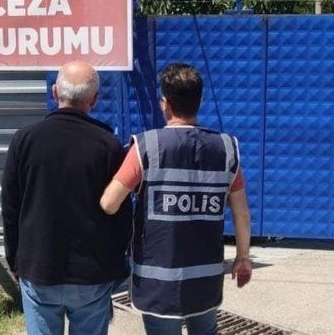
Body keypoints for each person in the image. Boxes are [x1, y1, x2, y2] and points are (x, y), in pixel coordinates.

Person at [100, 63, 252, 335]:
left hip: (158, 284)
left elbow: (109, 203)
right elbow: (241, 213)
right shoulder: (226, 149)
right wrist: (243, 257)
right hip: (205, 278)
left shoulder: (147, 147)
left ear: (165, 104)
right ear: (200, 100)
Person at [2, 60, 132, 335]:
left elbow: (11, 207)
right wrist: (115, 263)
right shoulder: (108, 145)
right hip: (92, 273)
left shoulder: (24, 140)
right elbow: (122, 214)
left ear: (55, 92)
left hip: (39, 267)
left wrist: (15, 260)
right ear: (94, 99)